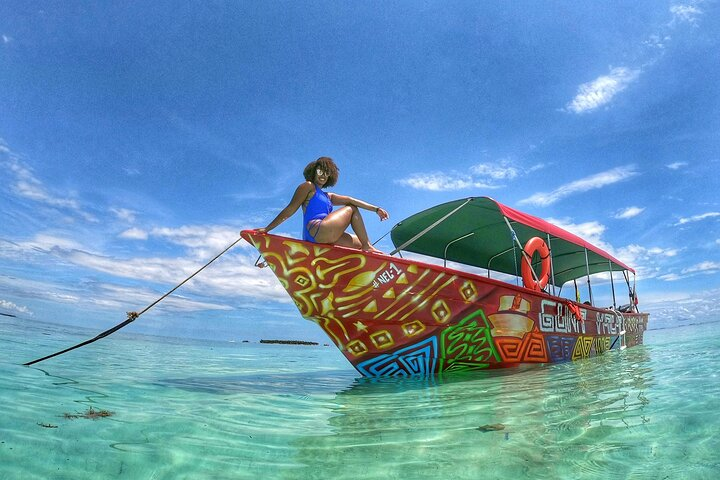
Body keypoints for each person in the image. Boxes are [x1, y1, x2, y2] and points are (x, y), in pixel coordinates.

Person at [256, 156, 388, 252]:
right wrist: (268, 229)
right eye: (320, 172)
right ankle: (367, 247)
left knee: (359, 242)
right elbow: (290, 209)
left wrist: (376, 209)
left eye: (326, 173)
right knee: (351, 209)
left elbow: (350, 199)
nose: (323, 176)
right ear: (313, 172)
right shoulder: (308, 187)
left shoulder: (328, 196)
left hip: (325, 234)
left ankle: (362, 254)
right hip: (316, 231)